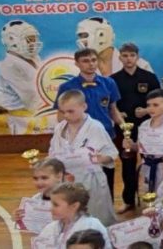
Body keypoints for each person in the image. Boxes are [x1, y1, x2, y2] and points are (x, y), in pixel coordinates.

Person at [49, 89, 118, 225]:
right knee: (70, 219)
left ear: (84, 107)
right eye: (63, 112)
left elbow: (112, 153)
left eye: (71, 111)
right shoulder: (59, 128)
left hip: (91, 181)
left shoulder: (95, 127)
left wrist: (100, 158)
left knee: (95, 218)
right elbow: (52, 152)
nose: (66, 115)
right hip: (66, 181)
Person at [109, 42, 160, 212]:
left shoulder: (149, 77)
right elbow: (111, 104)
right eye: (125, 56)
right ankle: (128, 200)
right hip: (124, 129)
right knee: (127, 164)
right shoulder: (113, 80)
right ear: (120, 58)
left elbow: (159, 100)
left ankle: (155, 199)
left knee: (152, 163)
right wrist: (119, 115)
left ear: (137, 57)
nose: (128, 59)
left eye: (132, 55)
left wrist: (146, 110)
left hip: (148, 127)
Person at [123, 88, 163, 194]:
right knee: (147, 196)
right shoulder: (144, 125)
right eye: (148, 105)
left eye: (155, 105)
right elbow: (141, 148)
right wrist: (131, 145)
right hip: (147, 167)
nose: (150, 108)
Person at [0, 20, 47, 135]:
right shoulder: (9, 65)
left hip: (39, 116)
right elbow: (30, 96)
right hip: (22, 121)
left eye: (34, 39)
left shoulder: (35, 58)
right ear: (12, 40)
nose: (33, 43)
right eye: (29, 39)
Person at [35, 183, 111, 249]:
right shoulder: (51, 227)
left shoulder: (91, 225)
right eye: (51, 204)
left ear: (74, 206)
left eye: (56, 205)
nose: (51, 208)